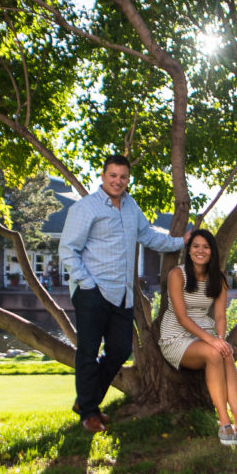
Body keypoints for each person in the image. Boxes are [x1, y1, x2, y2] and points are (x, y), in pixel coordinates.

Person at [59, 154, 190, 434]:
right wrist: (86, 284)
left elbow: (149, 235)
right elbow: (68, 250)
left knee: (119, 350)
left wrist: (181, 242)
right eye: (113, 175)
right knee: (88, 353)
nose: (118, 181)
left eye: (123, 176)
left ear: (128, 179)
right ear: (103, 176)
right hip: (92, 292)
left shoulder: (131, 207)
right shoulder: (86, 208)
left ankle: (86, 402)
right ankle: (89, 413)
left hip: (123, 295)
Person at [158, 229, 237, 446]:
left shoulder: (217, 278)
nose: (200, 251)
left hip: (206, 332)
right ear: (189, 250)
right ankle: (224, 422)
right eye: (196, 246)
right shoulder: (177, 275)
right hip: (176, 335)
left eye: (205, 247)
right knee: (214, 352)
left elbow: (220, 315)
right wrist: (213, 341)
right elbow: (182, 317)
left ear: (212, 251)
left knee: (226, 353)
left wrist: (220, 337)